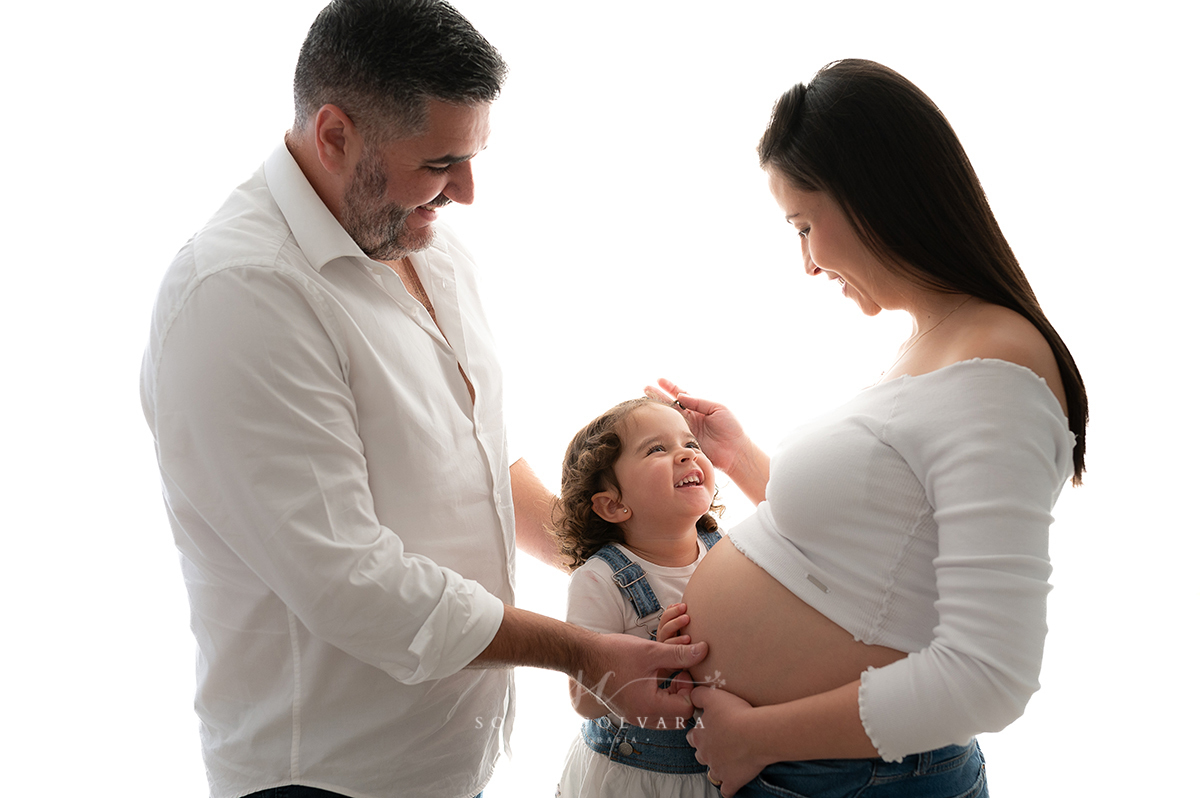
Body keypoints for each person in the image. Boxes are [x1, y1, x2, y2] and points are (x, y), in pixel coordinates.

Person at [139, 3, 703, 798]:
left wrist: (634, 550)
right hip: (328, 777)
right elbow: (349, 579)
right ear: (335, 134)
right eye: (442, 161)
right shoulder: (238, 296)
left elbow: (473, 457)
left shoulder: (425, 245)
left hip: (447, 760)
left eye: (472, 156)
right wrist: (584, 650)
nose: (467, 192)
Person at [650, 59, 1088, 797]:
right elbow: (878, 550)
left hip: (853, 775)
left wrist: (756, 735)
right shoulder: (937, 344)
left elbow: (991, 676)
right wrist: (745, 460)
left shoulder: (997, 369)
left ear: (872, 196)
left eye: (804, 226)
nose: (808, 265)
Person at [550, 398, 724, 798]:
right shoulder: (600, 580)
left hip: (716, 769)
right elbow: (584, 701)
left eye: (691, 444)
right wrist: (651, 664)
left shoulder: (726, 551)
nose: (685, 454)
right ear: (613, 504)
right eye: (657, 449)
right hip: (636, 776)